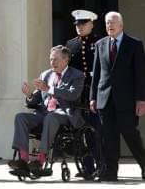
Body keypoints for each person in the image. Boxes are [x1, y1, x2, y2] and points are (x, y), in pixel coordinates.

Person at [9, 45, 85, 174]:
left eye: (56, 59)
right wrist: (29, 95)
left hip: (64, 113)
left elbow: (73, 95)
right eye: (51, 59)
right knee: (20, 117)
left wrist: (50, 89)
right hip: (43, 113)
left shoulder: (76, 75)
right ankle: (23, 159)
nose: (52, 62)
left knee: (51, 117)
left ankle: (40, 159)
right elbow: (35, 100)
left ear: (66, 60)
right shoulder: (46, 74)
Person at [90, 11, 145, 181]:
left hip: (126, 100)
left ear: (121, 25)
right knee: (108, 136)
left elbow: (140, 74)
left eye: (113, 22)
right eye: (107, 23)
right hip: (105, 99)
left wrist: (141, 99)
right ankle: (110, 172)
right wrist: (93, 97)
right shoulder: (100, 44)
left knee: (130, 135)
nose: (109, 26)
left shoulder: (134, 44)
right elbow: (97, 73)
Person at [66, 9, 101, 178]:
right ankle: (87, 167)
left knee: (96, 130)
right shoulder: (71, 44)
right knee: (80, 131)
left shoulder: (100, 41)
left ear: (91, 24)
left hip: (95, 91)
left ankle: (102, 165)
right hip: (78, 93)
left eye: (83, 24)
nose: (79, 27)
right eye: (77, 25)